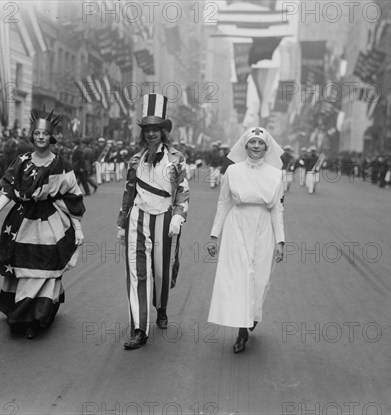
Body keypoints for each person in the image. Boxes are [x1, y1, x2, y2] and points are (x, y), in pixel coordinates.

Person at [0, 108, 85, 339]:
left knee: (46, 267)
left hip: (50, 222)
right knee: (21, 265)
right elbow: (9, 191)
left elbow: (72, 197)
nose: (40, 137)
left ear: (51, 137)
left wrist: (77, 228)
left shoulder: (61, 164)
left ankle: (36, 317)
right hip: (21, 221)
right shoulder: (21, 161)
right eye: (37, 133)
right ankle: (20, 311)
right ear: (32, 136)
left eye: (45, 134)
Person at [116, 93, 190, 350]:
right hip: (138, 218)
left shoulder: (177, 158)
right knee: (137, 274)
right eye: (147, 129)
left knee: (161, 271)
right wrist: (121, 224)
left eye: (155, 129)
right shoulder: (135, 160)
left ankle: (161, 307)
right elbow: (129, 192)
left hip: (165, 219)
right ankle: (139, 329)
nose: (151, 134)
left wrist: (179, 215)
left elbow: (182, 189)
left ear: (163, 132)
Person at [207, 127, 285, 354]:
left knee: (260, 279)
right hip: (237, 226)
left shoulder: (275, 174)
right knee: (241, 278)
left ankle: (253, 314)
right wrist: (214, 236)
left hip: (264, 228)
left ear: (266, 148)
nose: (256, 147)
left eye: (260, 143)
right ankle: (241, 331)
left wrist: (280, 241)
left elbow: (278, 210)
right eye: (252, 142)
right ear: (246, 145)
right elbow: (223, 204)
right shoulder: (232, 171)